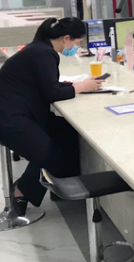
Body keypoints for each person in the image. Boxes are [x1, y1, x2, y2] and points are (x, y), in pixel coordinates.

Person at [0, 17, 103, 216]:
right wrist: (81, 87)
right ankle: (21, 190)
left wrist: (78, 86)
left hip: (18, 112)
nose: (75, 47)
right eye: (76, 42)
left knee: (67, 132)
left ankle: (64, 186)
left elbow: (48, 85)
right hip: (10, 119)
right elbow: (51, 93)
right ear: (66, 38)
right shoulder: (45, 53)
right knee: (51, 154)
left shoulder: (39, 49)